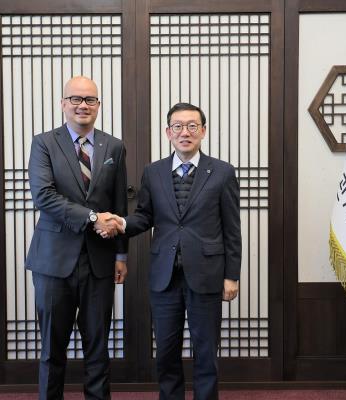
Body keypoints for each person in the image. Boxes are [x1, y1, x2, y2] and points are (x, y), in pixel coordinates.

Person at [99, 102, 241, 400]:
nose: (184, 132)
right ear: (168, 132)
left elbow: (232, 230)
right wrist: (121, 222)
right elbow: (145, 216)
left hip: (206, 276)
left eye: (192, 126)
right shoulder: (153, 172)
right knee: (165, 353)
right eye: (178, 126)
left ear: (203, 131)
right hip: (164, 278)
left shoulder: (223, 173)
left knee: (205, 354)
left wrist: (232, 276)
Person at [26, 76, 128, 400]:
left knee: (98, 349)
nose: (83, 105)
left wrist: (121, 255)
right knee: (52, 350)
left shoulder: (114, 146)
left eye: (90, 100)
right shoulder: (44, 143)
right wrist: (93, 217)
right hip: (53, 261)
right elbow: (44, 197)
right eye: (75, 99)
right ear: (63, 104)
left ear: (98, 106)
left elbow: (120, 205)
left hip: (99, 261)